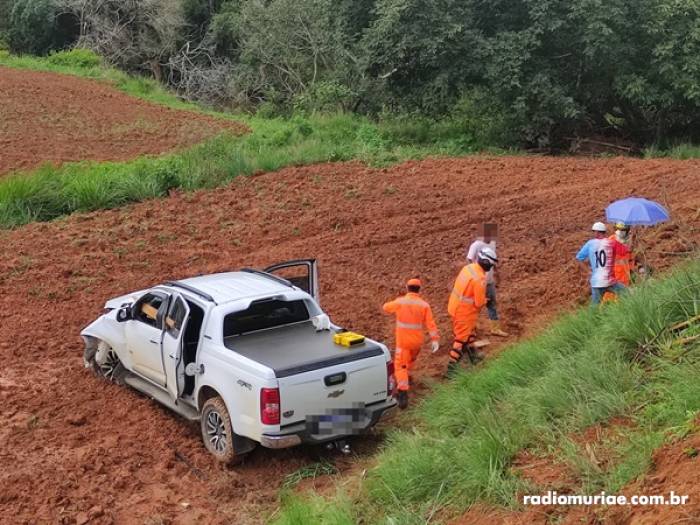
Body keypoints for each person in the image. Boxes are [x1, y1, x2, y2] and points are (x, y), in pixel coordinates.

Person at [382, 278, 440, 409]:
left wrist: (396, 303)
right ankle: (407, 377)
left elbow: (386, 307)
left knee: (400, 366)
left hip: (403, 342)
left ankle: (402, 395)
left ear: (407, 288)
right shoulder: (424, 305)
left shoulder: (401, 302)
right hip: (417, 342)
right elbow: (431, 324)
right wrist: (435, 339)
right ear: (419, 290)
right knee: (410, 361)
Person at [447, 248, 495, 375]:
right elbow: (479, 302)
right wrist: (487, 300)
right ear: (486, 262)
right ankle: (450, 371)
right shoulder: (479, 279)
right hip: (464, 312)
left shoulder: (468, 268)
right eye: (491, 264)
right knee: (461, 340)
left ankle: (473, 357)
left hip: (455, 305)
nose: (491, 267)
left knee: (471, 334)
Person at [466, 223, 509, 337]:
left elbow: (493, 259)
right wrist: (474, 275)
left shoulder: (493, 243)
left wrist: (497, 273)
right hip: (477, 282)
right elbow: (469, 260)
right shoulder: (476, 245)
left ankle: (494, 329)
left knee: (492, 303)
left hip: (488, 281)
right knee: (475, 306)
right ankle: (471, 330)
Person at [576, 222, 626, 305]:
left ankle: (591, 317)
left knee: (594, 307)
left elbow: (579, 258)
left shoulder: (590, 244)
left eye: (594, 231)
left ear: (597, 232)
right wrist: (634, 238)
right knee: (628, 294)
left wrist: (588, 271)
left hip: (596, 282)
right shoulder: (612, 242)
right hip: (610, 281)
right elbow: (626, 251)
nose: (593, 233)